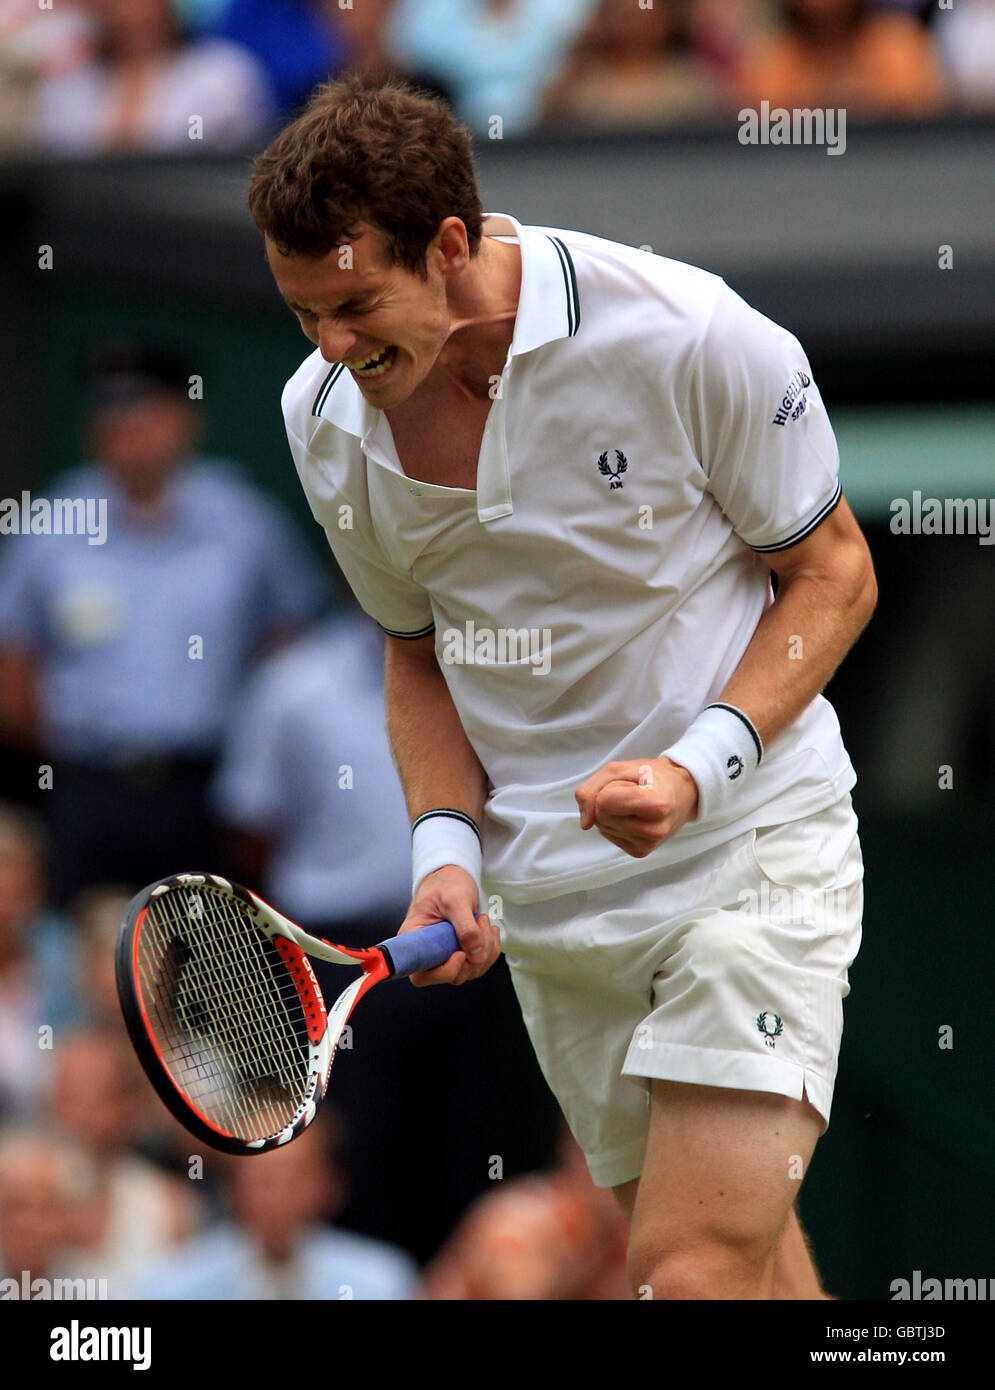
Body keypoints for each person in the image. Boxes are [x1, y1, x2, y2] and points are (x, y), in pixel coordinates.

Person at [246, 74, 878, 1300]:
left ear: (447, 244)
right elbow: (416, 651)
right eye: (299, 313)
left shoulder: (687, 333)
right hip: (553, 907)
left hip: (751, 852)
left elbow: (833, 573)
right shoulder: (320, 417)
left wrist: (698, 769)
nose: (328, 345)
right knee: (749, 1272)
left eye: (354, 303)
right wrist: (444, 848)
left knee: (689, 1274)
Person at [211, 608, 560, 1262]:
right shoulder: (293, 685)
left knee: (476, 1153)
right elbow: (251, 827)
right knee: (360, 1161)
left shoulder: (504, 672)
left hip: (469, 951)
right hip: (338, 957)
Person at [0, 340, 330, 902]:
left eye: (145, 412)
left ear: (185, 419)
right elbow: (14, 665)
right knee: (88, 956)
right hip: (87, 786)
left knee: (203, 960)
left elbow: (293, 642)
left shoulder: (242, 521)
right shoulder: (53, 524)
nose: (127, 428)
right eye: (111, 413)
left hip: (207, 789)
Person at [138, 1113, 418, 1299]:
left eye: (295, 1178)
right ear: (231, 1187)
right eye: (265, 1179)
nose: (280, 1197)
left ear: (330, 1185)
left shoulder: (383, 1283)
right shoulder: (174, 1288)